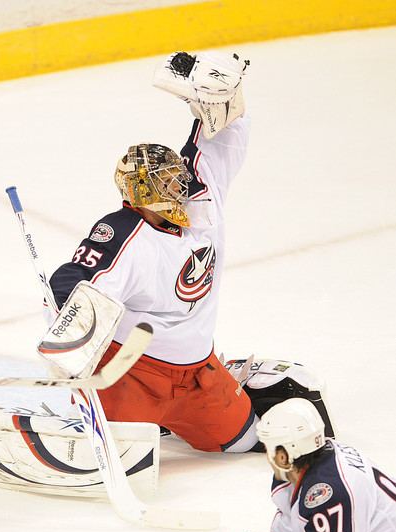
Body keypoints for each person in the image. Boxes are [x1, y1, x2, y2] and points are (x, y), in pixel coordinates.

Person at [46, 50, 332, 454]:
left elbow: (226, 134)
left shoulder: (202, 199)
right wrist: (69, 339)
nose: (179, 187)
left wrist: (226, 98)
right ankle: (130, 419)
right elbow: (75, 282)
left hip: (199, 372)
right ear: (140, 193)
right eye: (166, 183)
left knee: (242, 442)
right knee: (119, 452)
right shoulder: (124, 235)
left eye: (177, 178)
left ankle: (232, 377)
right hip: (135, 374)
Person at [204, 398, 396, 532]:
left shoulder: (328, 495)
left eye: (269, 446)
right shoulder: (310, 465)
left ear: (285, 454)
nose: (266, 454)